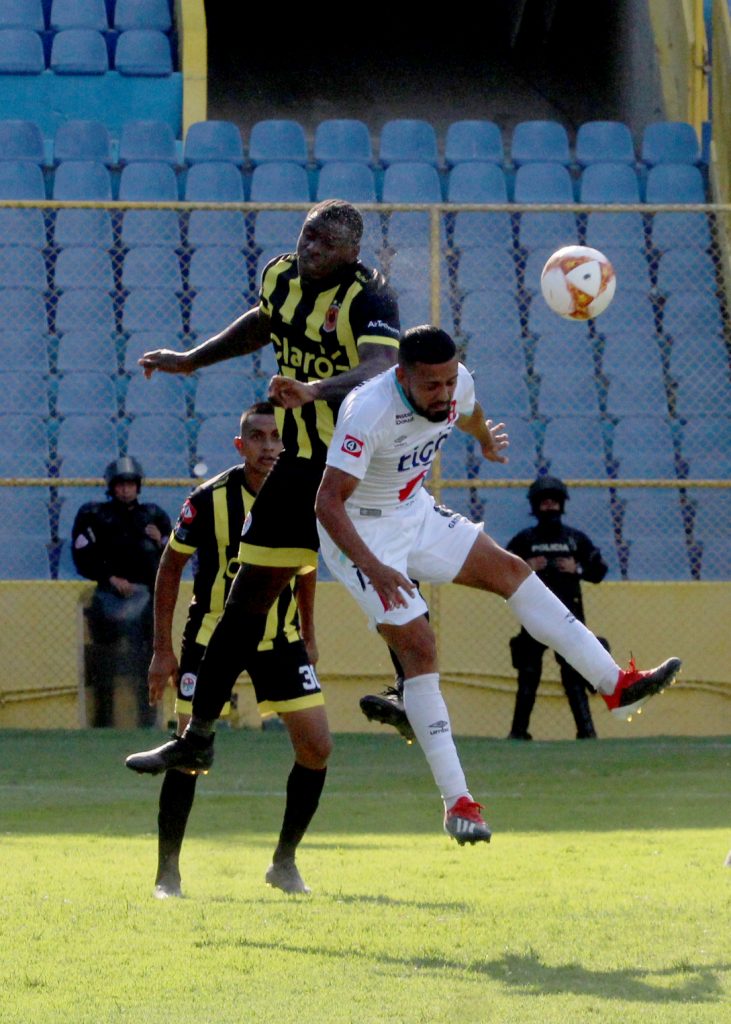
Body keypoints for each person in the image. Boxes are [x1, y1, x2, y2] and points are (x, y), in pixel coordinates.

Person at [314, 325, 682, 843]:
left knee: (512, 571)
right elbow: (327, 502)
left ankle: (615, 686)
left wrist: (484, 437)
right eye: (432, 385)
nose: (444, 393)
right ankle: (458, 803)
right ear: (402, 376)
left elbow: (468, 411)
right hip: (360, 532)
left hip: (412, 512)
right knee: (420, 646)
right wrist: (373, 567)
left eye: (449, 381)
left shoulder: (455, 386)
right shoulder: (368, 411)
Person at [124, 200, 400, 776]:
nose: (311, 248)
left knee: (390, 574)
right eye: (307, 235)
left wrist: (314, 389)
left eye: (326, 242)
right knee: (243, 602)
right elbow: (263, 323)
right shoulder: (280, 274)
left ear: (352, 253)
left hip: (354, 462)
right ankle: (197, 736)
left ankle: (409, 693)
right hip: (299, 464)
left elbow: (380, 367)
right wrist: (191, 361)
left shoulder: (370, 295)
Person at [129, 402, 329, 897]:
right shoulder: (209, 499)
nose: (269, 447)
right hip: (211, 636)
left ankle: (284, 862)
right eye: (258, 437)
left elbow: (305, 568)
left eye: (277, 437)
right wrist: (161, 650)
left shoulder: (301, 493)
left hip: (278, 638)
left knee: (316, 746)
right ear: (241, 445)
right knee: (188, 751)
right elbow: (170, 567)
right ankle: (167, 874)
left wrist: (309, 631)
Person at [506, 475, 609, 741]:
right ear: (535, 505)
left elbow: (600, 571)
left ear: (562, 504)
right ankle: (518, 732)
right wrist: (527, 567)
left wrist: (578, 569)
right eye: (544, 501)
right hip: (534, 618)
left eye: (554, 501)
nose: (549, 506)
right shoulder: (524, 540)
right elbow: (501, 572)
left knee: (574, 676)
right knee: (528, 676)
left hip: (570, 619)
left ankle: (587, 734)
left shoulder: (575, 539)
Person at [71, 457, 171, 728]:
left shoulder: (153, 516)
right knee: (103, 662)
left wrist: (160, 541)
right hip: (106, 599)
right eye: (120, 485)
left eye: (130, 484)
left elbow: (175, 554)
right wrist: (110, 578)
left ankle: (148, 720)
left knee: (144, 661)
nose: (126, 490)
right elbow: (82, 555)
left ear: (138, 486)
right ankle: (102, 721)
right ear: (111, 487)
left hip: (147, 601)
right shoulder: (94, 515)